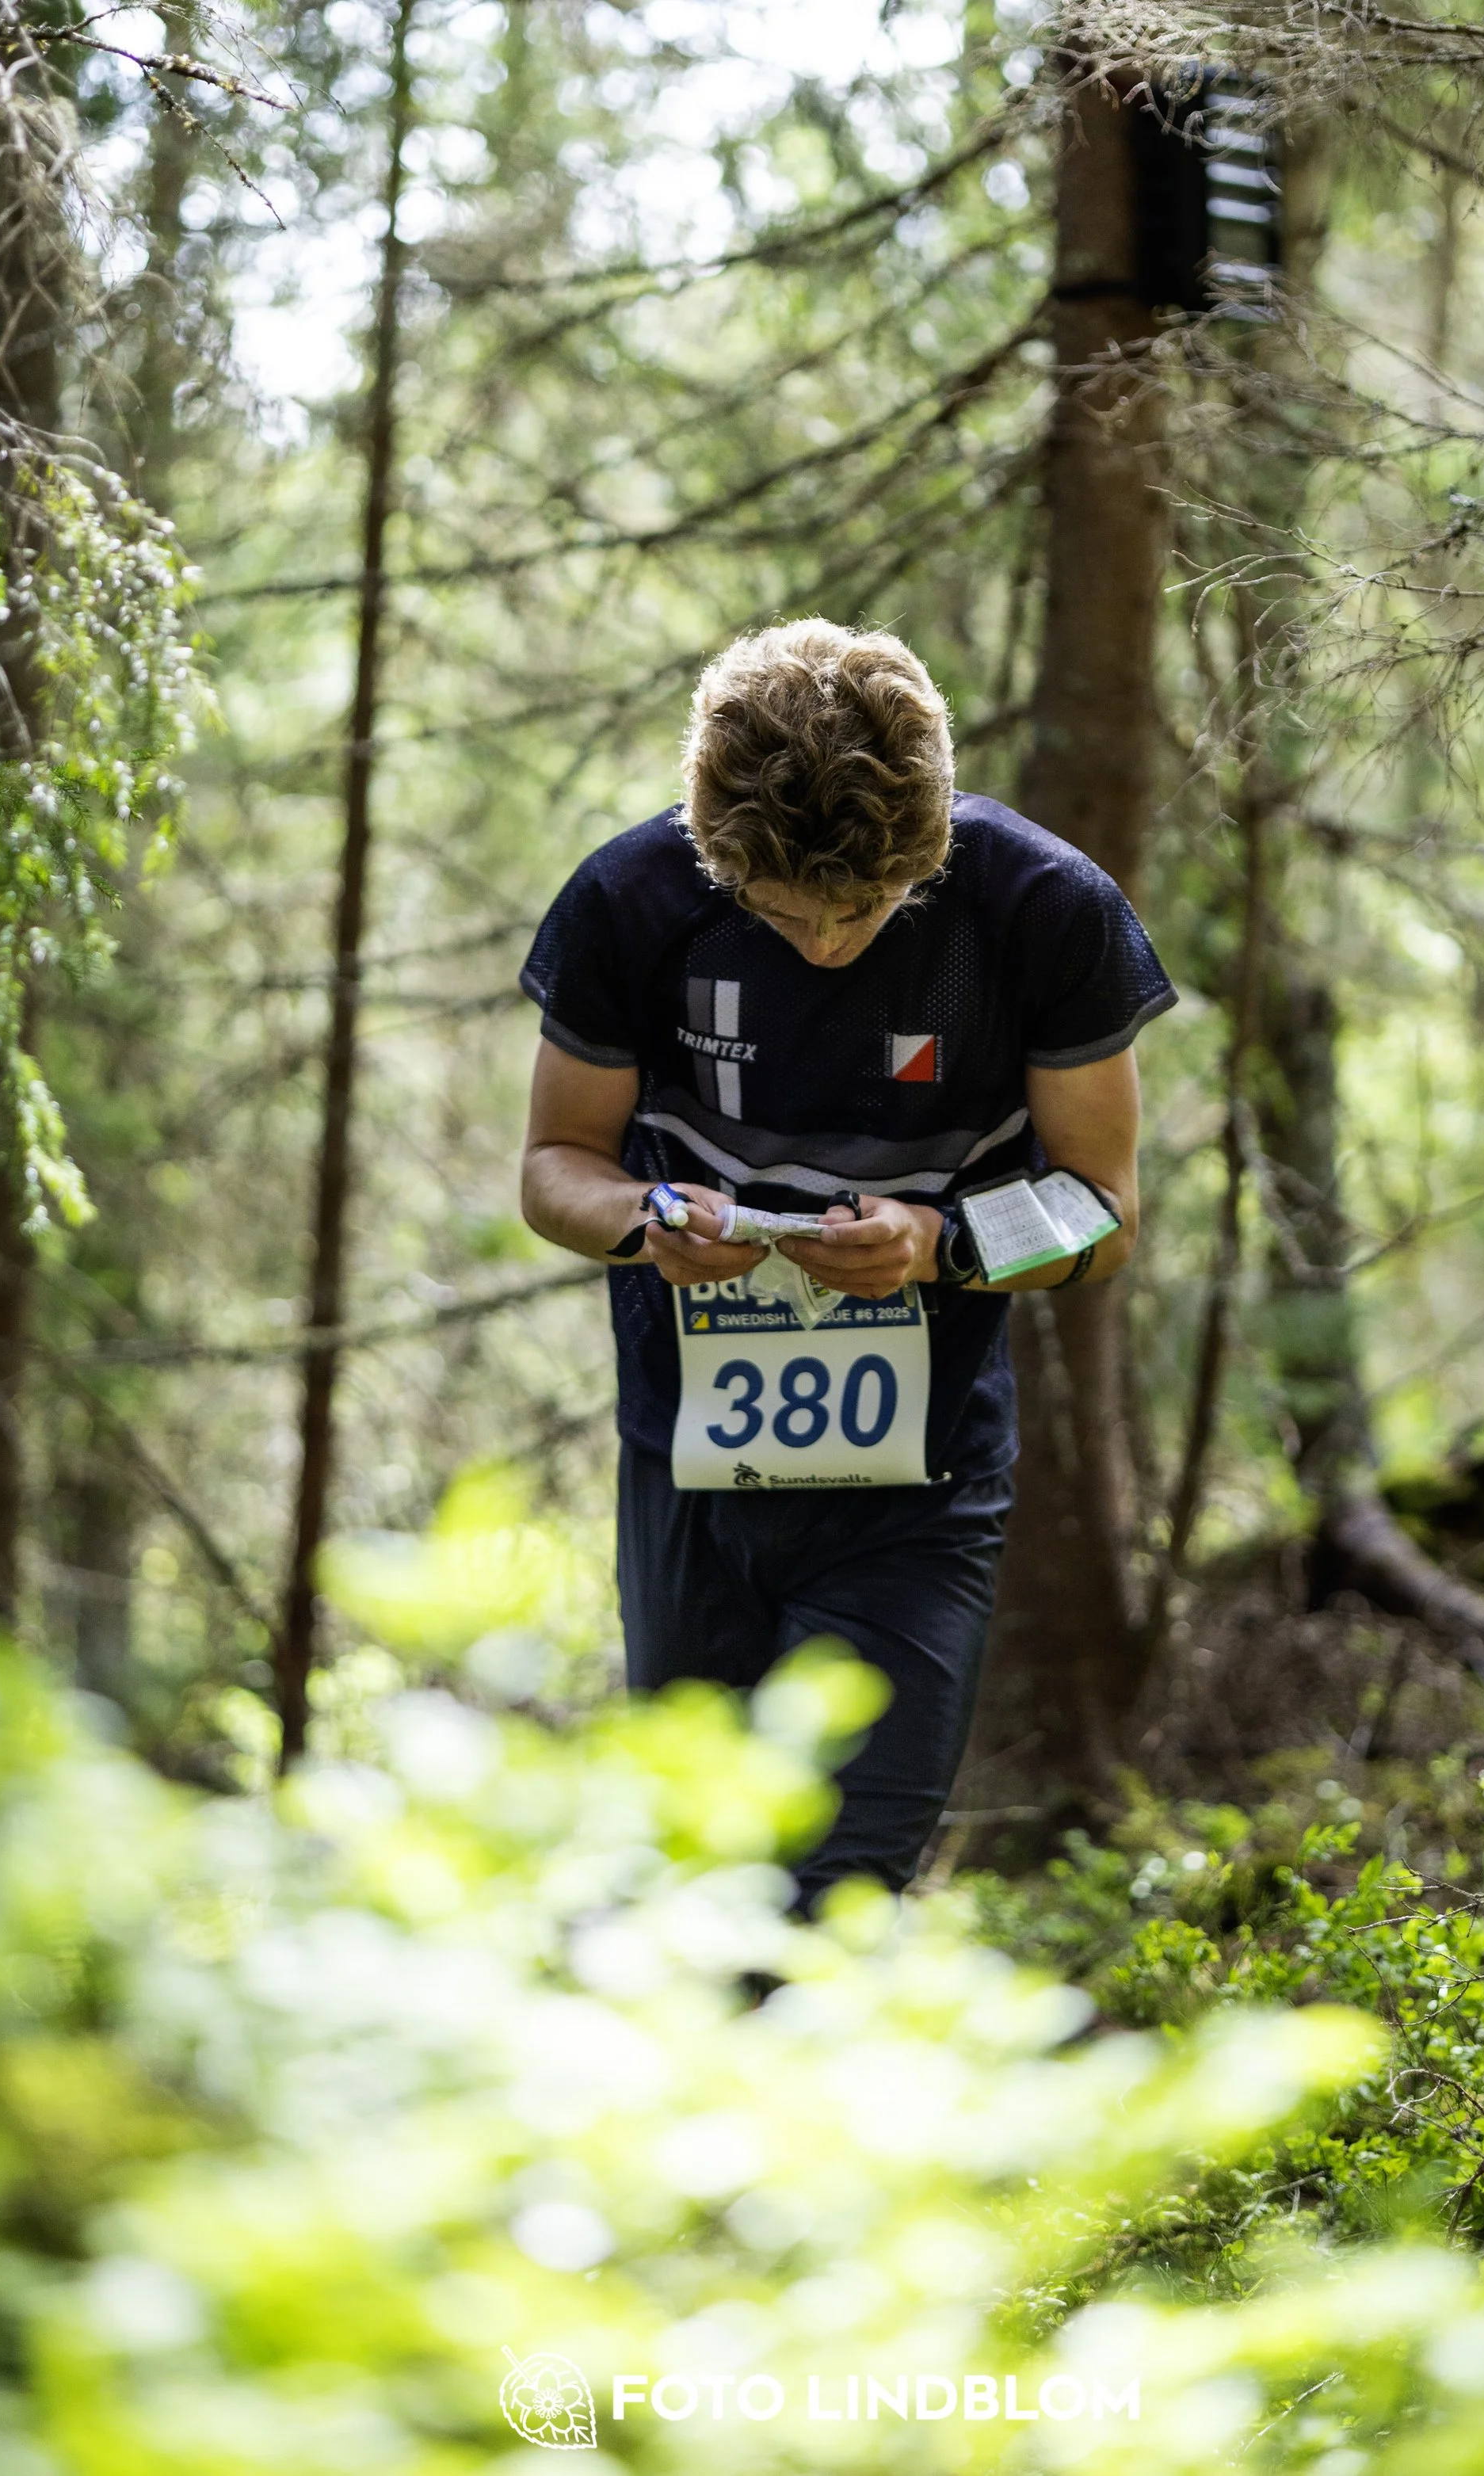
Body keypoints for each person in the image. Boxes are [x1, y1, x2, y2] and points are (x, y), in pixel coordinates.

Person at [519, 620, 1173, 1909]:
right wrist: (646, 1216)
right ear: (718, 856)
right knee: (702, 1886)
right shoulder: (631, 901)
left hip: (917, 1489)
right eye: (779, 912)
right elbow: (554, 1165)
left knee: (846, 1889)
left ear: (924, 851)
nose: (825, 943)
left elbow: (1104, 1210)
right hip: (687, 1471)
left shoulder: (1044, 911)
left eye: (867, 909)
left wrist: (944, 1245)